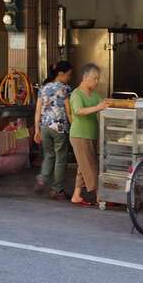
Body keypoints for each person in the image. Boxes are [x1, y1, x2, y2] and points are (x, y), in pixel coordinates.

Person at [69, 64, 109, 206]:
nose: (96, 82)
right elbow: (78, 111)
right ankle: (100, 196)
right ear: (85, 77)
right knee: (91, 166)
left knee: (83, 166)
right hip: (79, 135)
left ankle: (76, 195)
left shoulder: (94, 95)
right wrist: (98, 107)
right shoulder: (76, 94)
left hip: (91, 135)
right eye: (94, 78)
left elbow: (104, 104)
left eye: (98, 79)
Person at [34, 61, 73, 200]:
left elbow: (38, 110)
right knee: (60, 159)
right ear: (61, 74)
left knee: (49, 155)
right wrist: (73, 125)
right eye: (68, 74)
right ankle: (57, 190)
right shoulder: (65, 89)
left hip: (45, 127)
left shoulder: (43, 88)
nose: (69, 77)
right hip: (59, 128)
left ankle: (43, 177)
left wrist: (36, 129)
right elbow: (68, 111)